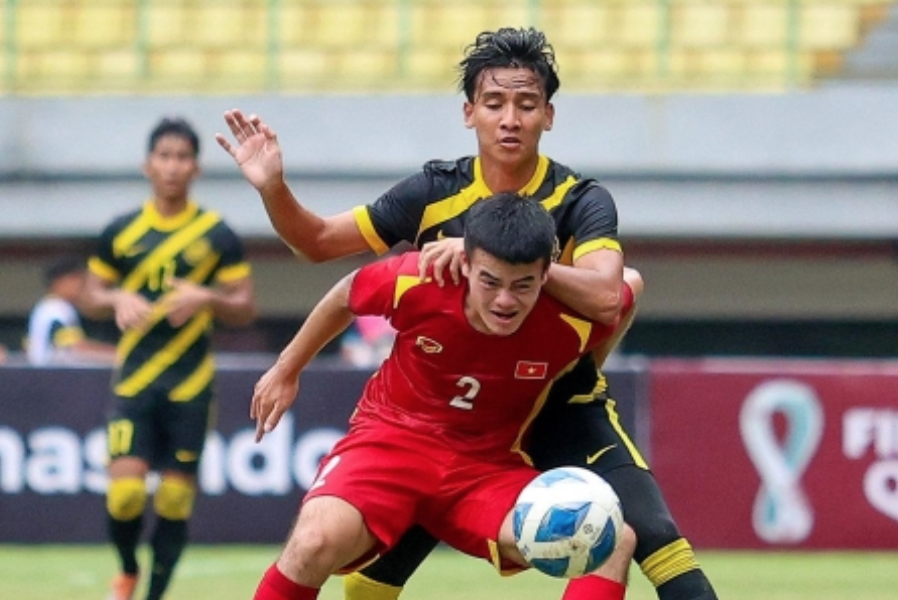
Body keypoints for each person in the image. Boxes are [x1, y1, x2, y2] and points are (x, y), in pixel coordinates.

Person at [217, 27, 718, 600]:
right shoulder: (433, 194)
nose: (510, 120)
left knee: (628, 535)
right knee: (338, 552)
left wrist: (501, 260)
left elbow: (613, 295)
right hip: (429, 412)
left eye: (526, 104)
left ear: (548, 115)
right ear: (469, 112)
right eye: (494, 103)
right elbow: (321, 247)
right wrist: (274, 190)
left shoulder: (581, 200)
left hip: (549, 402)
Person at [250, 194, 640, 600]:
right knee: (312, 542)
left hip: (485, 470)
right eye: (490, 281)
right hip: (388, 445)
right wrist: (286, 370)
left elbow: (626, 288)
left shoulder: (567, 319)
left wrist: (578, 374)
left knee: (609, 539)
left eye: (522, 285)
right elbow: (347, 293)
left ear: (546, 275)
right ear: (466, 263)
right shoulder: (421, 278)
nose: (505, 301)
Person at [78, 117, 258, 600]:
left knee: (175, 499)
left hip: (190, 383)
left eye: (182, 157)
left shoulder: (217, 234)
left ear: (196, 168)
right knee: (125, 495)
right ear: (148, 165)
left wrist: (206, 297)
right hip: (135, 380)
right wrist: (116, 297)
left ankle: (155, 595)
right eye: (164, 156)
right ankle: (126, 568)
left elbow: (244, 306)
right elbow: (89, 295)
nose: (173, 166)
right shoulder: (121, 230)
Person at [25, 256, 115, 365]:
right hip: (48, 372)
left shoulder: (54, 306)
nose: (81, 284)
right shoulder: (54, 309)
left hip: (50, 371)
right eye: (75, 278)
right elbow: (75, 348)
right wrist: (119, 354)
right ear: (59, 282)